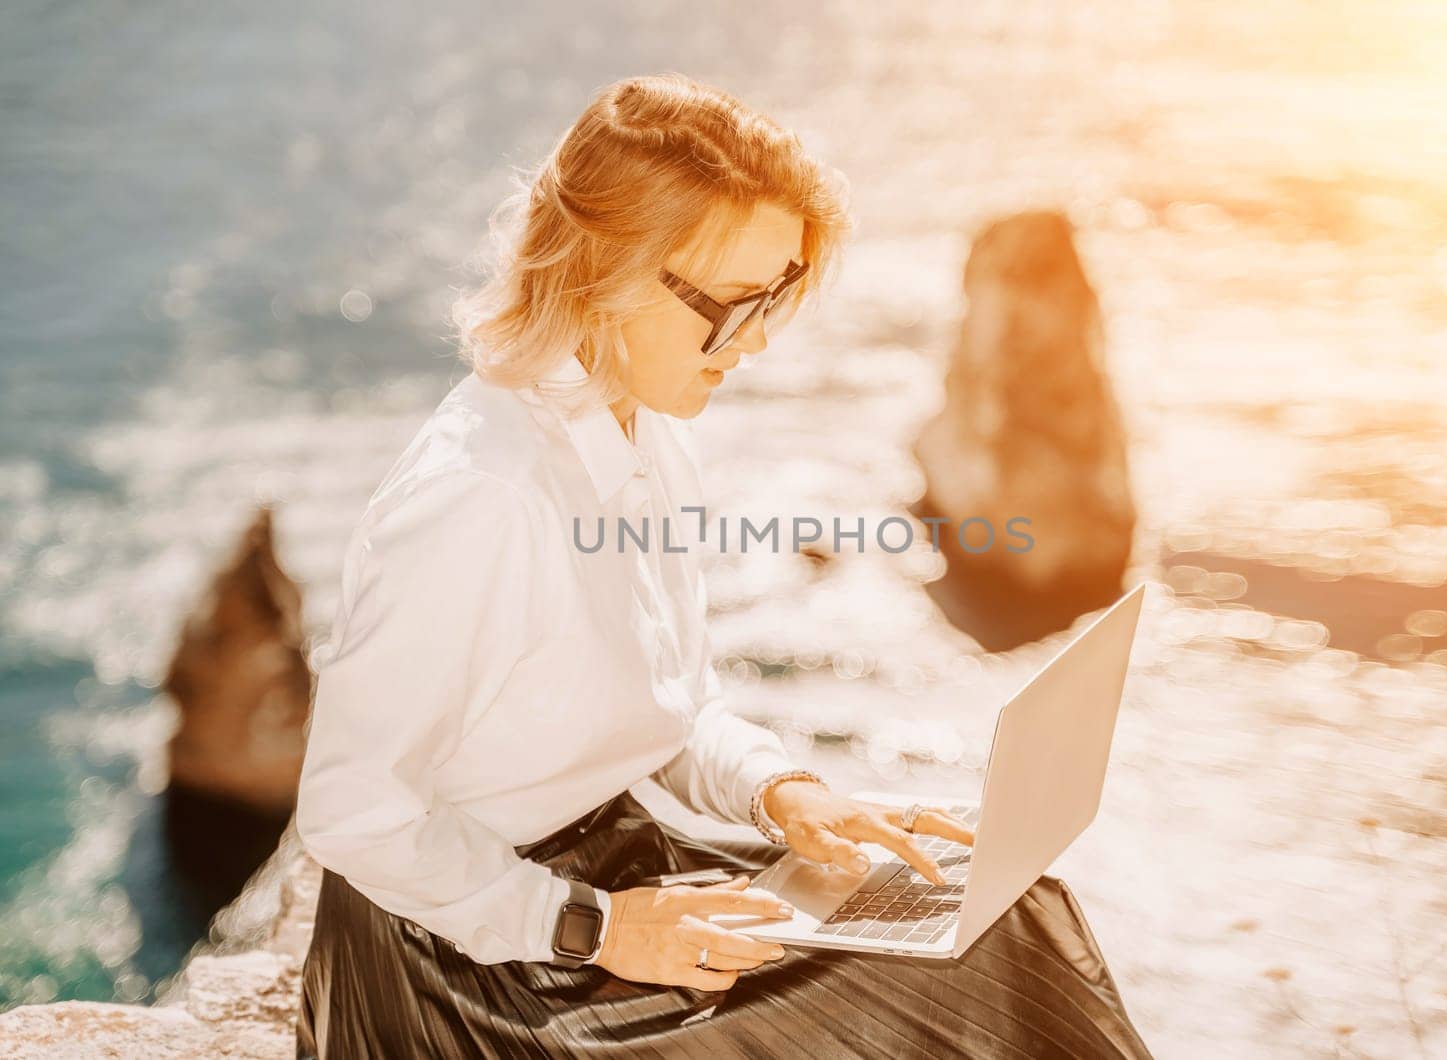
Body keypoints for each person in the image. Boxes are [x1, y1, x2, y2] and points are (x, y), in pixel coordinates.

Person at [294, 71, 1154, 1059]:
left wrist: (783, 792)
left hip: (610, 880)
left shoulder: (646, 432)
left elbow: (671, 704)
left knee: (1008, 912)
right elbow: (352, 811)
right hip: (470, 964)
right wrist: (598, 927)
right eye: (736, 303)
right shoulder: (481, 496)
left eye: (777, 299)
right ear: (609, 267)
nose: (754, 344)